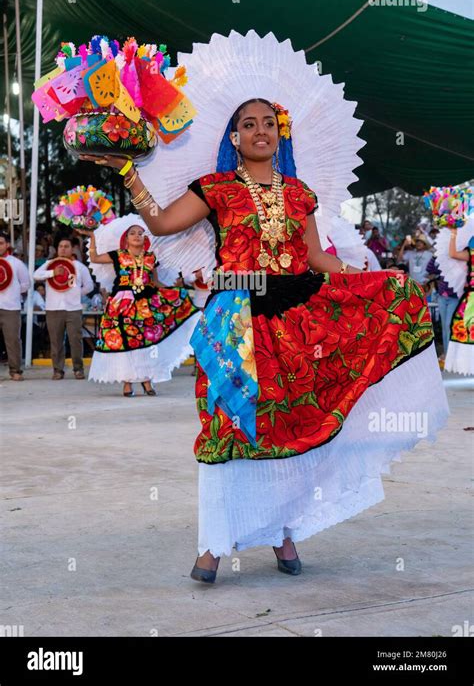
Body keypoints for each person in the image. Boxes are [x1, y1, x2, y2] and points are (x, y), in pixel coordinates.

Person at [80, 97, 448, 584]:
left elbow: (317, 257)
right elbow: (162, 224)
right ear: (234, 138)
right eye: (248, 125)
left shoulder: (300, 194)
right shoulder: (216, 188)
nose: (259, 131)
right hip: (234, 317)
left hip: (297, 322)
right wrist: (129, 171)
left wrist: (370, 276)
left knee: (290, 422)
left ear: (280, 134)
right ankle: (212, 544)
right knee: (226, 425)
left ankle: (284, 532)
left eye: (268, 124)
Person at [83, 223, 200, 397]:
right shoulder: (118, 255)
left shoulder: (151, 257)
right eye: (132, 233)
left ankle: (147, 380)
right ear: (126, 239)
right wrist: (92, 237)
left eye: (140, 233)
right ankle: (127, 382)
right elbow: (94, 258)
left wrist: (173, 293)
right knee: (126, 341)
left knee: (146, 341)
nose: (137, 236)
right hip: (122, 303)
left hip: (145, 303)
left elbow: (155, 282)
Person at [33, 235, 94, 379]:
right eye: (61, 246)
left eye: (66, 246)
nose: (63, 249)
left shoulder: (79, 267)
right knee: (56, 341)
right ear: (57, 249)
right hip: (53, 308)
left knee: (75, 340)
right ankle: (58, 370)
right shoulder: (49, 263)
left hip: (73, 308)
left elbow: (89, 286)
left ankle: (78, 369)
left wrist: (76, 292)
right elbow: (36, 275)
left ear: (72, 249)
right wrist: (52, 273)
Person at [0, 232, 31, 380]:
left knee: (12, 340)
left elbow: (26, 284)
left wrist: (12, 291)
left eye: (1, 243)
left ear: (7, 245)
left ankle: (15, 370)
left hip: (11, 307)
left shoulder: (16, 263)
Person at [444, 226, 474, 375]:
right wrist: (454, 234)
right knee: (467, 331)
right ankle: (469, 367)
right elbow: (452, 253)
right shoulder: (472, 253)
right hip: (471, 300)